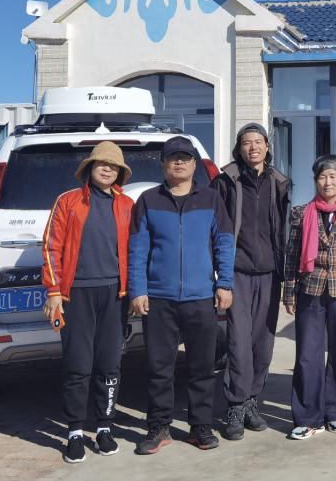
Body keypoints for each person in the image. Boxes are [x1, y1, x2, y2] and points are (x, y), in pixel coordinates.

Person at [128, 135, 235, 455]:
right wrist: (138, 289)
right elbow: (137, 249)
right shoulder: (148, 200)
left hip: (200, 296)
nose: (180, 162)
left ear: (193, 165)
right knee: (159, 367)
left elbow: (224, 243)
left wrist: (224, 283)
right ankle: (158, 427)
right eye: (173, 158)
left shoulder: (211, 199)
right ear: (163, 164)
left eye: (185, 158)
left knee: (202, 366)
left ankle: (200, 427)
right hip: (158, 298)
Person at [41, 141, 135, 463]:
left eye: (113, 166)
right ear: (90, 168)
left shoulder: (126, 205)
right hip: (76, 293)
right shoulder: (68, 202)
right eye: (101, 164)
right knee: (78, 365)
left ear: (120, 172)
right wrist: (54, 291)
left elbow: (135, 250)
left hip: (114, 294)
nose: (107, 169)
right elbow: (52, 246)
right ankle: (75, 431)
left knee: (110, 365)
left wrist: (135, 291)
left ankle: (105, 427)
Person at [212, 122, 292, 440]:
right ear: (239, 148)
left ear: (267, 147)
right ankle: (235, 404)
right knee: (238, 342)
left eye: (258, 142)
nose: (253, 147)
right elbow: (216, 228)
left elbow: (286, 231)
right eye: (247, 142)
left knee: (263, 343)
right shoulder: (226, 181)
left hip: (270, 274)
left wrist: (289, 278)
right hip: (237, 272)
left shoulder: (279, 183)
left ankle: (251, 402)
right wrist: (220, 275)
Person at [282, 155, 336, 440]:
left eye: (333, 176)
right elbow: (292, 255)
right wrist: (289, 292)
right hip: (310, 291)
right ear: (315, 181)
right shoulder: (300, 213)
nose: (328, 182)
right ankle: (307, 416)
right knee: (308, 356)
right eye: (322, 177)